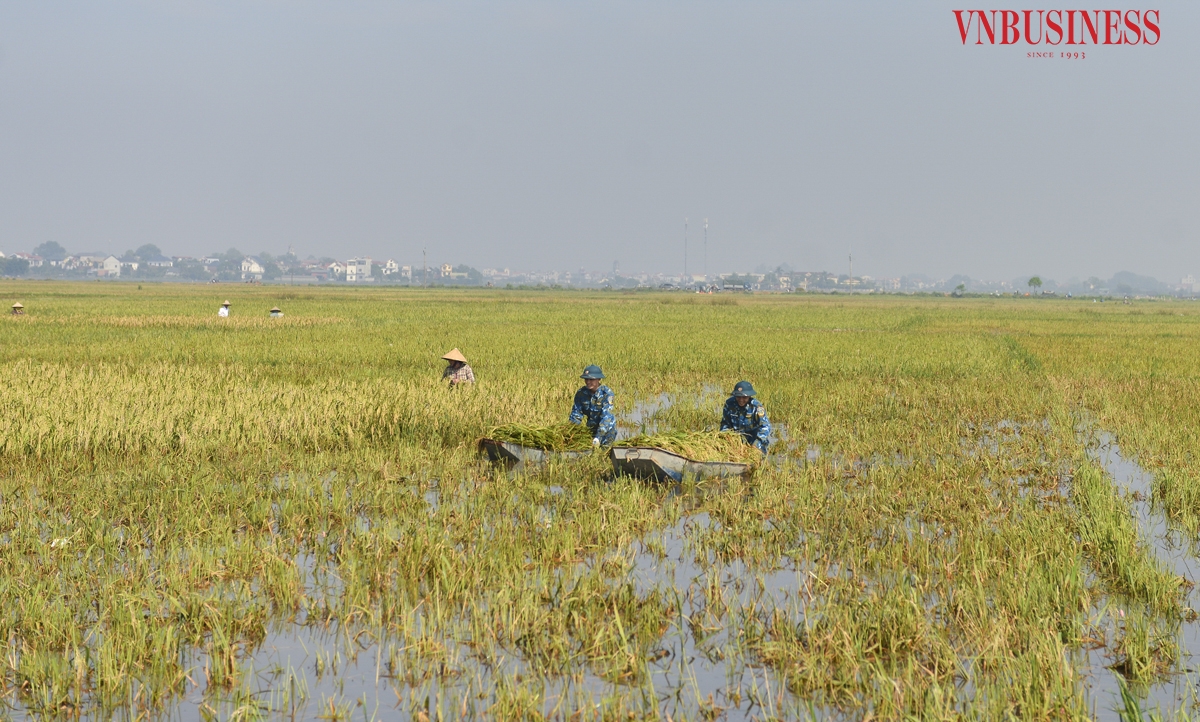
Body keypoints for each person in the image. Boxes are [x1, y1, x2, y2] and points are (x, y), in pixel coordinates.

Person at [569, 365, 616, 447]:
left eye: (591, 379)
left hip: (606, 432)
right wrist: (572, 432)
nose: (588, 382)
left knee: (603, 455)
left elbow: (606, 417)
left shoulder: (607, 394)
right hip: (590, 430)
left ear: (599, 379)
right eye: (586, 379)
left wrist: (598, 437)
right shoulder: (581, 393)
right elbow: (576, 415)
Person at [720, 380, 771, 454]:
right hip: (736, 439)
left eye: (744, 397)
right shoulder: (729, 404)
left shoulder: (756, 407)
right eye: (738, 397)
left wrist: (756, 443)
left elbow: (765, 426)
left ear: (749, 396)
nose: (741, 400)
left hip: (754, 439)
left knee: (757, 456)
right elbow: (725, 423)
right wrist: (726, 438)